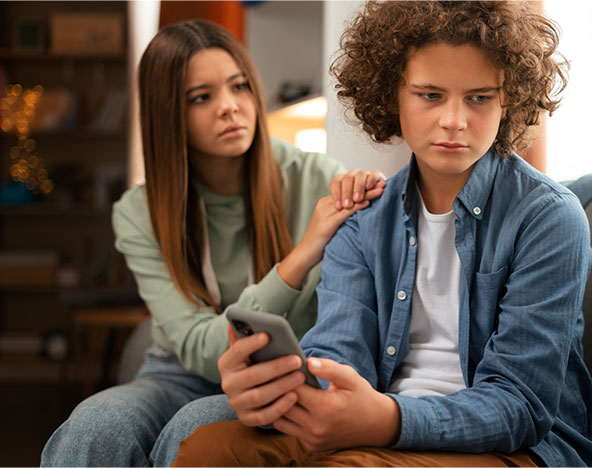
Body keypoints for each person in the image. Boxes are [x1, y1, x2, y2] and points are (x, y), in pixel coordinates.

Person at [165, 2, 592, 466]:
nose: (454, 120)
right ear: (393, 93)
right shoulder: (363, 217)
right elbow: (336, 354)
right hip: (376, 432)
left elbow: (521, 405)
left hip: (514, 448)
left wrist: (387, 419)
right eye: (430, 95)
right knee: (206, 450)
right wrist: (283, 396)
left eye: (480, 97)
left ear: (508, 97)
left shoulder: (549, 218)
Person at [40, 19, 385, 467]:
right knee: (93, 426)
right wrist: (301, 256)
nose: (229, 107)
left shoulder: (316, 179)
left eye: (239, 86)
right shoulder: (139, 212)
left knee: (196, 430)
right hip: (176, 374)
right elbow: (200, 349)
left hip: (275, 376)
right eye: (200, 97)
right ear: (168, 114)